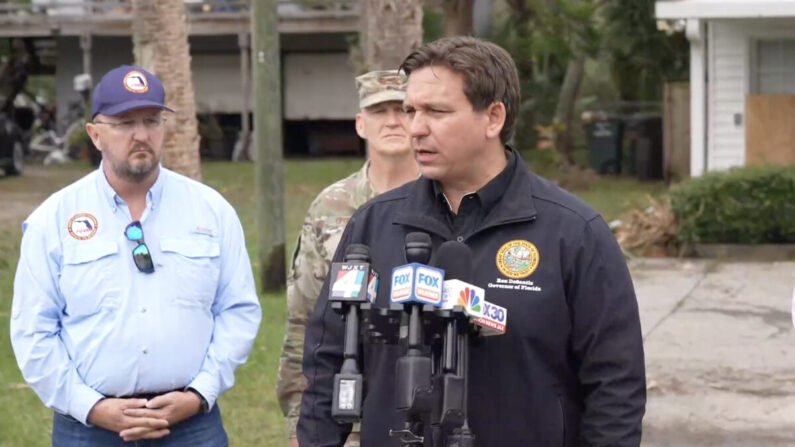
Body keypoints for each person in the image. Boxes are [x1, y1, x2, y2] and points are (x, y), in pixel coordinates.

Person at [298, 36, 646, 446]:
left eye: (436, 111)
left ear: (493, 117)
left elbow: (615, 385)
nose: (415, 127)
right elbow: (327, 363)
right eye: (412, 111)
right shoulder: (373, 225)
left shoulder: (573, 232)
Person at [9, 65, 262, 446]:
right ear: (95, 134)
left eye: (151, 120)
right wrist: (90, 406)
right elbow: (33, 331)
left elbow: (238, 310)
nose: (141, 134)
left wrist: (199, 393)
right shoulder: (54, 219)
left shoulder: (211, 211)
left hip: (191, 425)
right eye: (124, 123)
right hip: (88, 428)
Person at [276, 69, 418, 447]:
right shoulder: (331, 206)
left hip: (424, 412)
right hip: (346, 414)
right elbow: (303, 318)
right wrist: (298, 422)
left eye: (403, 109)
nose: (392, 121)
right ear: (360, 124)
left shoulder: (446, 203)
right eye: (378, 112)